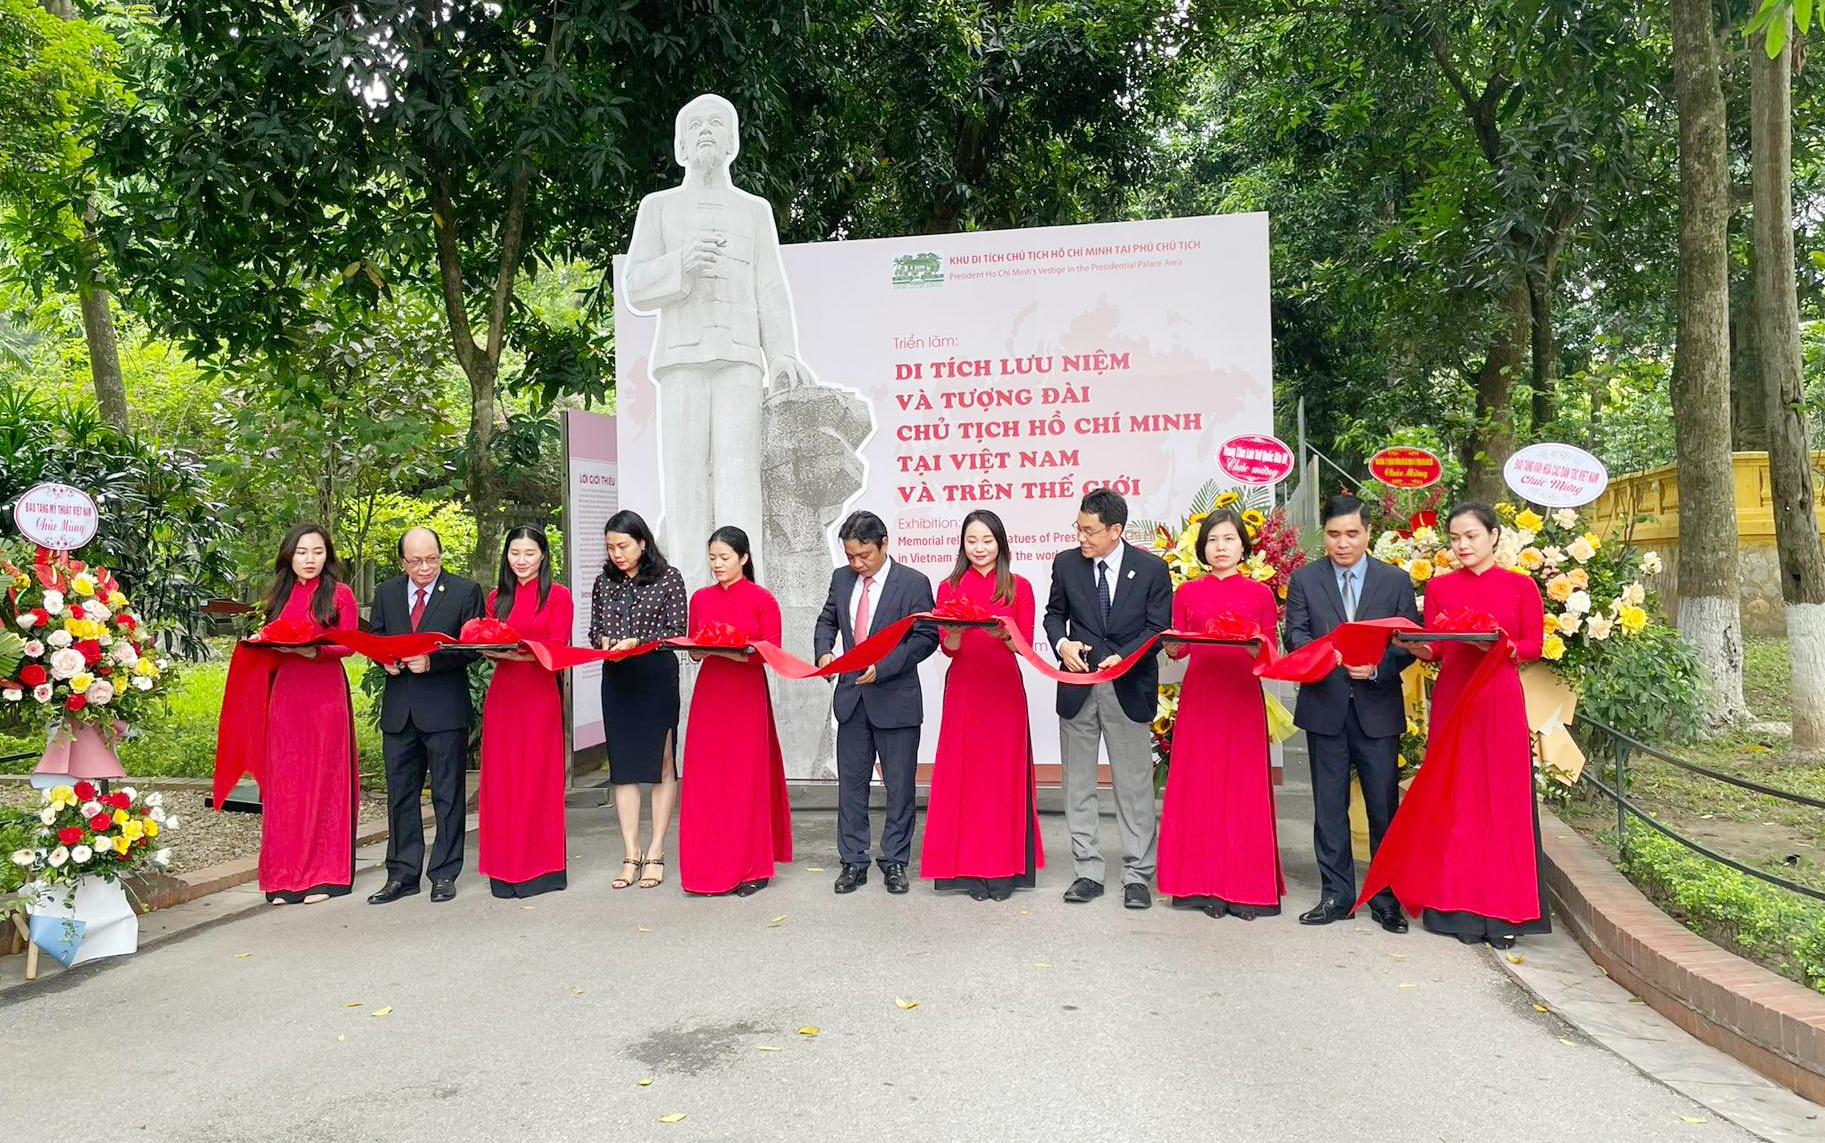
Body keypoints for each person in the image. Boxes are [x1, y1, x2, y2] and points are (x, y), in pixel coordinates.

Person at [623, 93, 811, 589]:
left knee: (739, 480)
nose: (706, 130)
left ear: (732, 141)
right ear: (681, 144)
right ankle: (684, 598)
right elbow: (636, 286)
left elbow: (770, 288)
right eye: (695, 124)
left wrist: (784, 353)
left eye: (717, 123)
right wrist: (680, 263)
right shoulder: (658, 207)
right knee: (684, 486)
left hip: (740, 359)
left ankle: (746, 602)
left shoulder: (754, 211)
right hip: (682, 359)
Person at [1391, 501, 1549, 949]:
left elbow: (1534, 644)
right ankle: (1453, 906)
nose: (1462, 545)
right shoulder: (1440, 587)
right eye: (1455, 538)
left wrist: (1501, 646)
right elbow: (1438, 648)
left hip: (1497, 698)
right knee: (1455, 798)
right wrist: (1412, 645)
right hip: (1453, 697)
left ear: (1494, 536)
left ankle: (1503, 911)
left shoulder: (1521, 586)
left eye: (1471, 536)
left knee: (1501, 801)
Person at [1283, 494, 1421, 932]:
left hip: (1377, 709)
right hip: (1325, 706)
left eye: (1352, 534)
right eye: (1334, 534)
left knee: (1383, 806)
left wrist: (1378, 667)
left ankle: (1384, 898)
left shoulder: (1394, 580)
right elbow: (1296, 636)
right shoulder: (1305, 580)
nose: (1342, 543)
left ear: (1368, 534)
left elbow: (1410, 641)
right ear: (1324, 534)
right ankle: (1337, 895)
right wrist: (1327, 657)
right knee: (1329, 806)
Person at [1044, 487, 1172, 910]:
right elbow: (1053, 614)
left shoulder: (1151, 569)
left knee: (1133, 786)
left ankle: (1137, 875)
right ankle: (1087, 871)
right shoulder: (1066, 563)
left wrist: (1127, 655)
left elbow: (1157, 627)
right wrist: (1061, 643)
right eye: (1078, 529)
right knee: (1077, 783)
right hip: (1078, 686)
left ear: (1116, 530)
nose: (1082, 538)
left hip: (1128, 686)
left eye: (1090, 531)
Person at [1157, 509, 1284, 919]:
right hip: (1201, 698)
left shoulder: (1261, 595)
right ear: (1202, 548)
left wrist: (1256, 647)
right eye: (1213, 540)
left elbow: (1269, 655)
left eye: (1229, 539)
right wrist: (1171, 646)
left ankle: (1248, 889)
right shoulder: (1187, 594)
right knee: (1202, 787)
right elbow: (1180, 648)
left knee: (1244, 789)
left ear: (1243, 546)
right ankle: (1202, 885)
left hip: (1243, 697)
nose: (1221, 547)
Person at [813, 510, 938, 895]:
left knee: (899, 786)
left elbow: (926, 638)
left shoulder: (914, 583)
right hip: (852, 696)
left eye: (864, 555)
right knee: (851, 784)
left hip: (896, 697)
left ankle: (895, 860)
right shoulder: (841, 578)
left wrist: (884, 667)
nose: (857, 564)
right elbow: (827, 621)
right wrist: (824, 653)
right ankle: (853, 860)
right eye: (851, 556)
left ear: (884, 544)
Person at [921, 510, 1042, 901]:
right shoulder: (949, 587)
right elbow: (948, 648)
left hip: (1004, 690)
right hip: (966, 690)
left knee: (1001, 779)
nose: (979, 548)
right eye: (972, 540)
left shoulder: (1018, 586)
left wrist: (1002, 632)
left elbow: (1022, 646)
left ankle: (1004, 869)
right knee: (968, 778)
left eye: (987, 540)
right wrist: (954, 631)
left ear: (1001, 544)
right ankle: (972, 869)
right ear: (962, 544)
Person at [366, 527, 486, 905]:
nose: (424, 567)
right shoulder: (386, 592)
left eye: (432, 559)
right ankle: (402, 874)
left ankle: (445, 872)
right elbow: (378, 638)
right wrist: (383, 660)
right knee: (401, 796)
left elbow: (474, 647)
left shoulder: (466, 591)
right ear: (402, 561)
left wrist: (432, 661)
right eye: (416, 561)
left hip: (444, 709)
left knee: (448, 795)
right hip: (399, 710)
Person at [678, 526, 792, 896]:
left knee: (746, 779)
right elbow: (694, 650)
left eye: (725, 557)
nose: (718, 565)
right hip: (710, 696)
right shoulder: (700, 598)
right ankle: (705, 865)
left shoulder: (762, 599)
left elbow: (769, 652)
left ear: (743, 558)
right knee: (707, 781)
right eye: (713, 558)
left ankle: (752, 867)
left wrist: (731, 648)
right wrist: (707, 646)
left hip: (746, 697)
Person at [255, 523, 359, 905]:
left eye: (317, 552)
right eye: (302, 552)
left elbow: (348, 645)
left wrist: (313, 651)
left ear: (327, 556)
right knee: (285, 783)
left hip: (325, 693)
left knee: (324, 778)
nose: (310, 560)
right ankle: (283, 878)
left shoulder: (340, 594)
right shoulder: (280, 595)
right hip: (286, 694)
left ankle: (324, 875)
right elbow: (269, 637)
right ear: (289, 556)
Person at [587, 510, 689, 890]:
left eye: (624, 546)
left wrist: (640, 643)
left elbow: (678, 631)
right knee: (624, 766)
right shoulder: (604, 582)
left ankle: (657, 850)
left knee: (662, 763)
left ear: (642, 543)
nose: (617, 554)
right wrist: (603, 642)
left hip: (656, 675)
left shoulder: (669, 579)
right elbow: (594, 628)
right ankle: (631, 852)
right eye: (611, 547)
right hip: (617, 677)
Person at [477, 526, 573, 899]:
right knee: (503, 782)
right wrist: (495, 649)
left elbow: (557, 647)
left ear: (543, 556)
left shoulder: (558, 596)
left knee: (537, 778)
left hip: (538, 695)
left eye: (529, 553)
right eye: (515, 553)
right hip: (504, 695)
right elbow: (486, 641)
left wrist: (516, 650)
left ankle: (540, 869)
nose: (521, 560)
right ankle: (504, 870)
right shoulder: (496, 597)